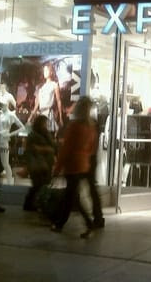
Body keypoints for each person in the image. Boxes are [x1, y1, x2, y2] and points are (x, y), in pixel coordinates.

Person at [51, 96, 98, 238]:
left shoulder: (74, 126)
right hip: (84, 164)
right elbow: (92, 148)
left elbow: (66, 149)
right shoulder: (91, 127)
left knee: (72, 196)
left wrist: (57, 168)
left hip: (73, 164)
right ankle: (60, 223)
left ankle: (87, 223)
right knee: (70, 195)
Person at [23, 115, 56, 211]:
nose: (46, 125)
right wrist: (46, 149)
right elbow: (32, 149)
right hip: (38, 164)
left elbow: (53, 147)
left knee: (42, 185)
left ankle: (35, 203)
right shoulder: (33, 135)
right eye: (44, 123)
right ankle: (29, 204)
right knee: (37, 185)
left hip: (46, 163)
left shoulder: (46, 134)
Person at [0, 103, 26, 185]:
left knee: (5, 163)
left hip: (4, 141)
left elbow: (22, 127)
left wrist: (10, 134)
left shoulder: (11, 115)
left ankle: (10, 183)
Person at [30, 63, 63, 134]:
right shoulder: (41, 86)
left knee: (48, 134)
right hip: (41, 114)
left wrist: (60, 117)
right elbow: (37, 104)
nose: (45, 72)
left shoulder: (54, 85)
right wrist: (31, 116)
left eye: (46, 70)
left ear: (51, 72)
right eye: (44, 70)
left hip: (48, 114)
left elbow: (58, 101)